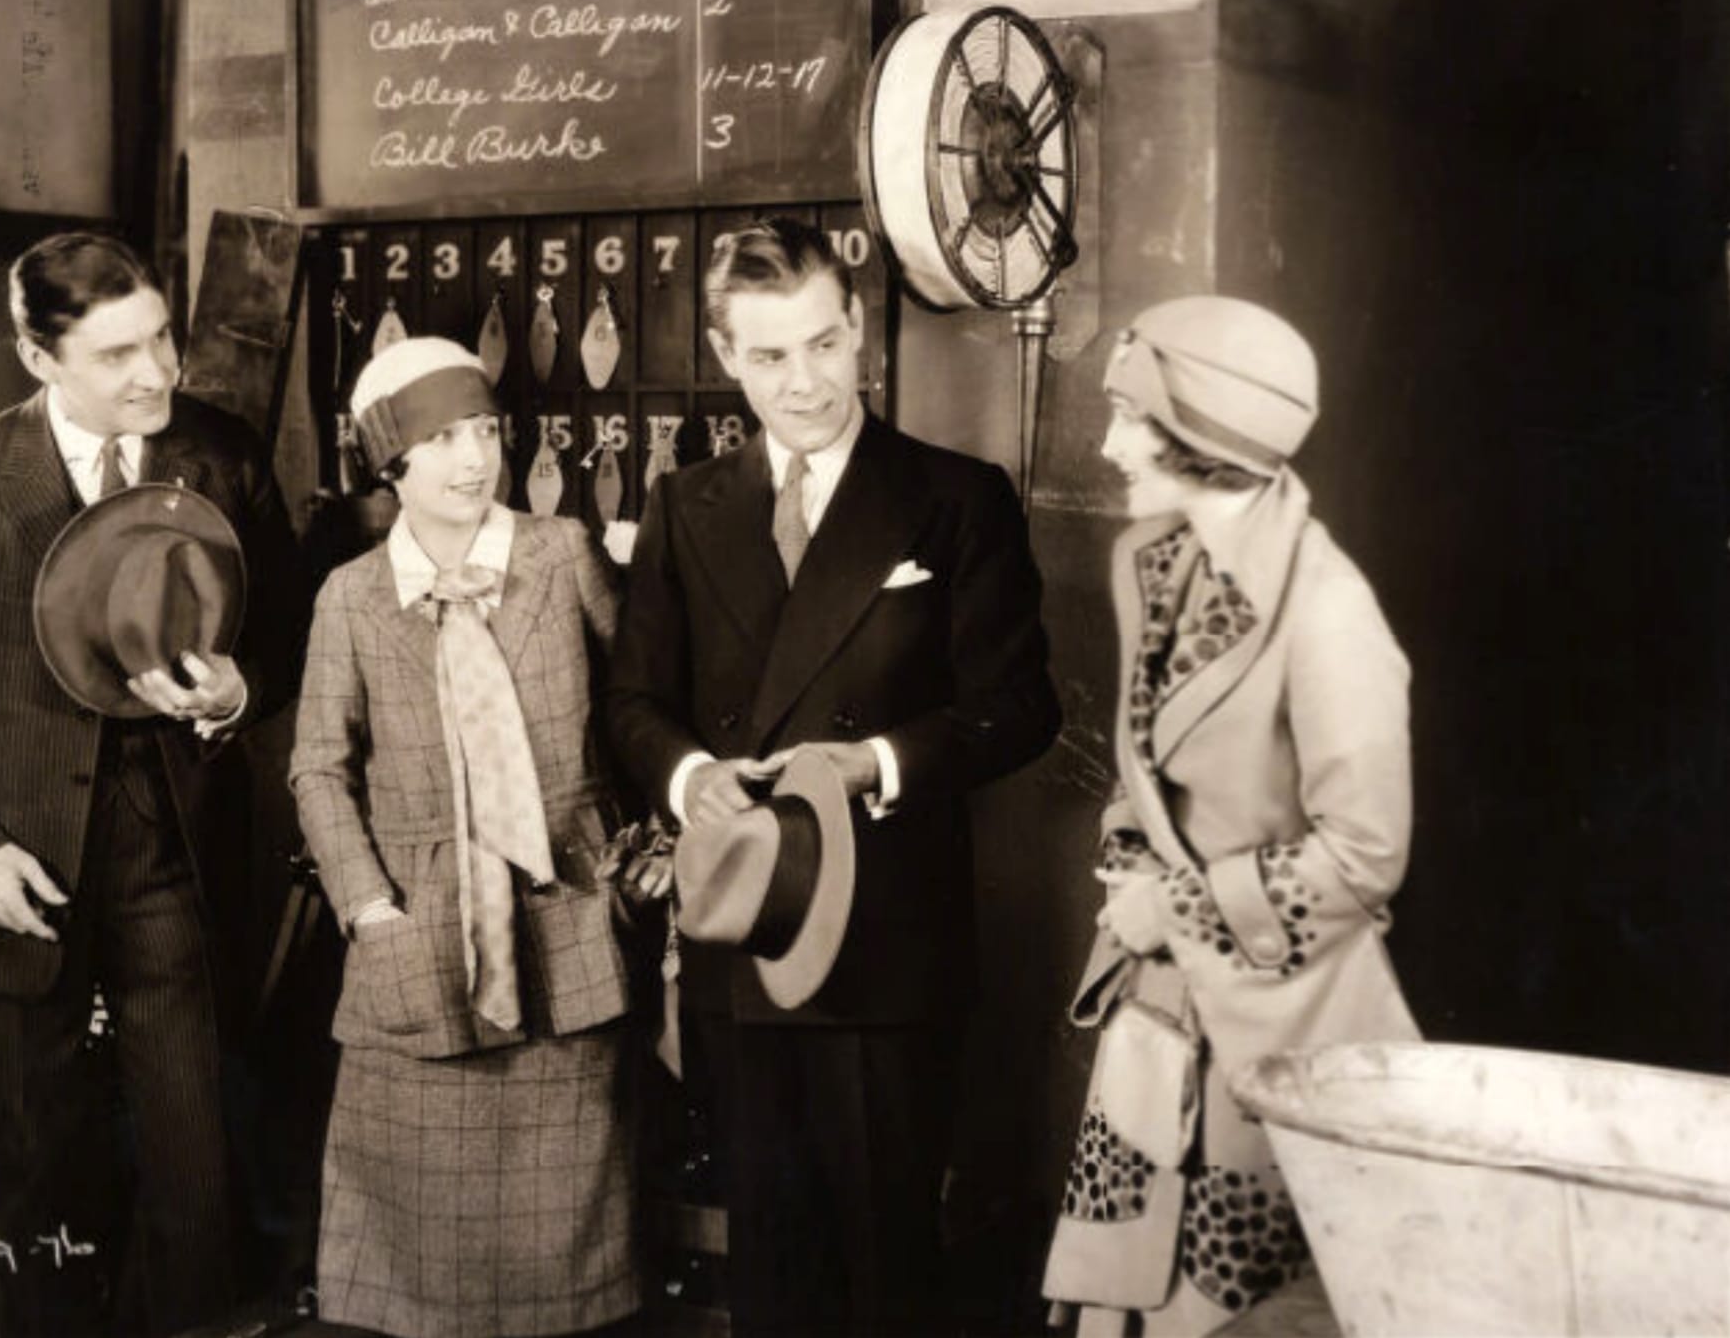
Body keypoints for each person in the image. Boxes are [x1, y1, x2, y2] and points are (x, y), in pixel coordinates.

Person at [0, 232, 305, 1336]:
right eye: (116, 355)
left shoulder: (223, 459)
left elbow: (286, 636)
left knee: (196, 1180)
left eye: (161, 338)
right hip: (13, 869)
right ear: (38, 358)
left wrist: (239, 692)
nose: (158, 373)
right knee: (38, 1184)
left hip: (171, 864)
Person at [607, 217, 1061, 1336]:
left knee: (885, 1274)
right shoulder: (686, 504)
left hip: (888, 946)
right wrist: (696, 780)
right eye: (768, 357)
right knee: (772, 1266)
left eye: (820, 344)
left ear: (857, 327)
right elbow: (633, 706)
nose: (802, 383)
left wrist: (877, 762)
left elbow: (1020, 710)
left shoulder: (956, 498)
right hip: (745, 932)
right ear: (725, 356)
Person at [1041, 297, 1420, 1337]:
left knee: (1240, 1319)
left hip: (1284, 1033)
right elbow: (1149, 769)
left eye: (1131, 419)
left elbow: (1365, 855)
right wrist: (1130, 871)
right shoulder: (1159, 562)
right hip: (1163, 1016)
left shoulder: (1331, 609)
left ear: (1203, 438)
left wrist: (1182, 915)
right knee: (1129, 1301)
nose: (1110, 444)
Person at [289, 337, 641, 1338]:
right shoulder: (351, 598)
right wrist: (370, 909)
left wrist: (629, 866)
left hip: (559, 929)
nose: (474, 458)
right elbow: (315, 765)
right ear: (391, 461)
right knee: (411, 1262)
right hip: (419, 947)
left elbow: (638, 712)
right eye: (443, 439)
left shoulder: (562, 554)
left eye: (484, 430)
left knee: (563, 1245)